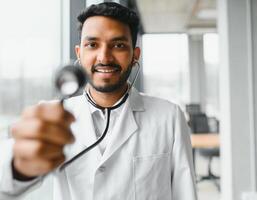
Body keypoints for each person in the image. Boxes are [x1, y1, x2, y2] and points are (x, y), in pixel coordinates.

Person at [0, 2, 197, 200]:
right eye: (92, 45)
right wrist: (19, 166)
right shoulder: (52, 116)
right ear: (79, 53)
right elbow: (6, 182)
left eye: (118, 45)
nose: (104, 57)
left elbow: (185, 193)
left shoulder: (169, 116)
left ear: (135, 55)